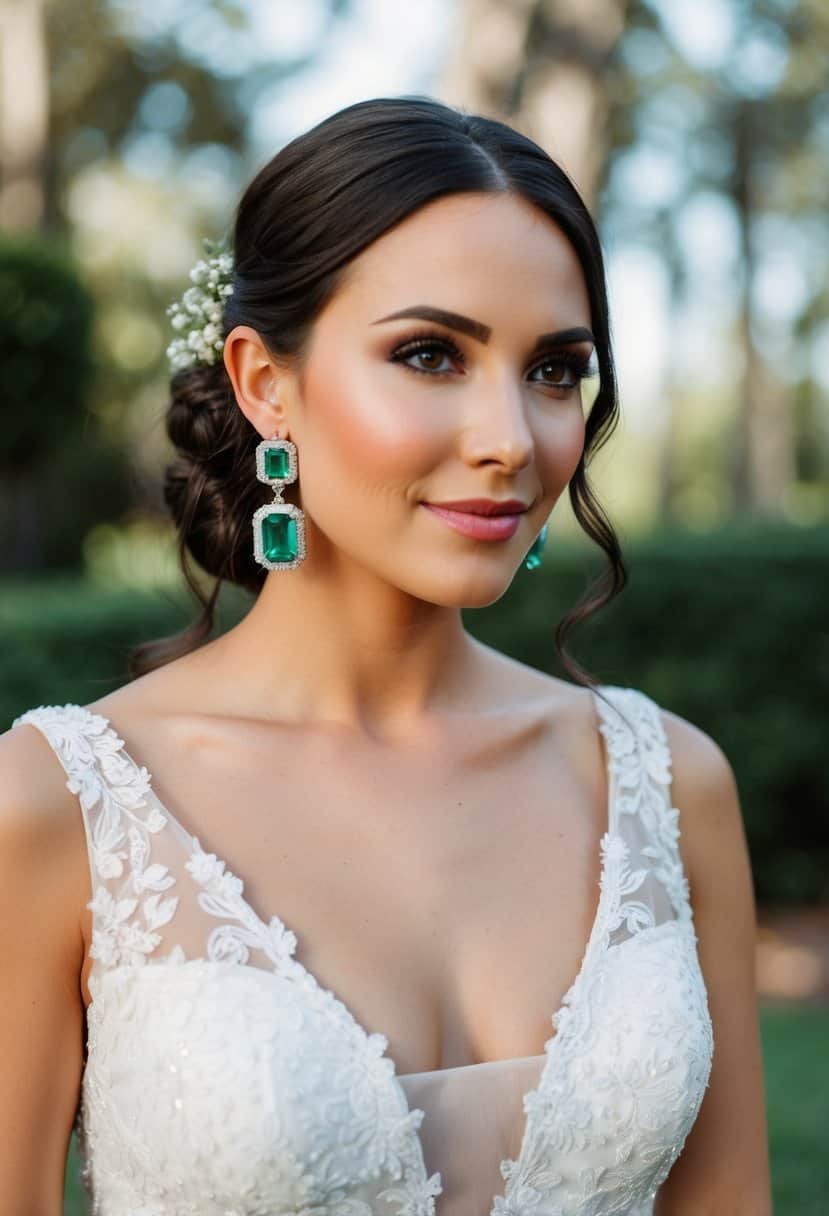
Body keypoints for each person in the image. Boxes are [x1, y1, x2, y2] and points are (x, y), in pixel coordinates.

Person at [0, 96, 771, 1216]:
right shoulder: (55, 806)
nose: (511, 436)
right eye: (430, 354)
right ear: (266, 382)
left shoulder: (668, 783)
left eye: (554, 370)